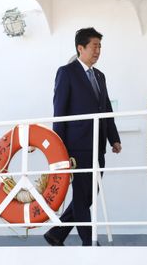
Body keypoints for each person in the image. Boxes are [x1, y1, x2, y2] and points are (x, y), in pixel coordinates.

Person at [44, 27, 122, 246]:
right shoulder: (66, 72)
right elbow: (59, 111)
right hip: (76, 145)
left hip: (98, 144)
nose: (98, 50)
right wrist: (58, 148)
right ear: (81, 48)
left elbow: (106, 109)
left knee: (89, 194)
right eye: (94, 46)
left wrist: (113, 138)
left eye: (100, 46)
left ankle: (57, 233)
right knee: (81, 194)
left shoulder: (100, 76)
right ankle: (89, 241)